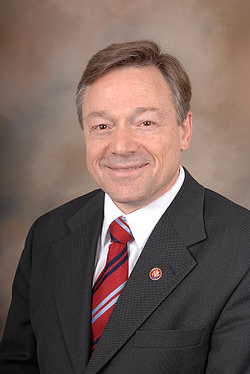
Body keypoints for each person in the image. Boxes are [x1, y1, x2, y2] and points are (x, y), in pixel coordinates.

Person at [0, 40, 249, 374]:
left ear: (184, 130)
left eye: (144, 122)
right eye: (102, 126)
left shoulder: (240, 249)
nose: (120, 146)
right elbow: (18, 363)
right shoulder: (48, 234)